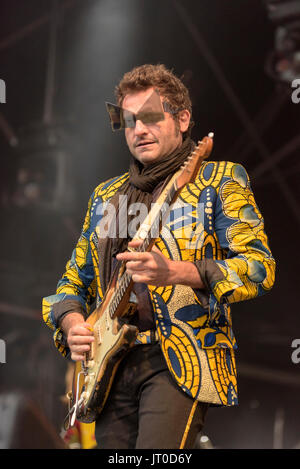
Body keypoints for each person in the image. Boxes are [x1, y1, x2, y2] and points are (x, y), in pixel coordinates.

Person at [42, 64, 276, 449]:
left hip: (178, 362)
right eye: (129, 121)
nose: (138, 130)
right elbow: (71, 282)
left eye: (151, 117)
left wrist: (177, 272)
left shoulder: (220, 180)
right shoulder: (105, 197)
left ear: (183, 119)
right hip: (108, 370)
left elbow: (259, 268)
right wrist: (72, 323)